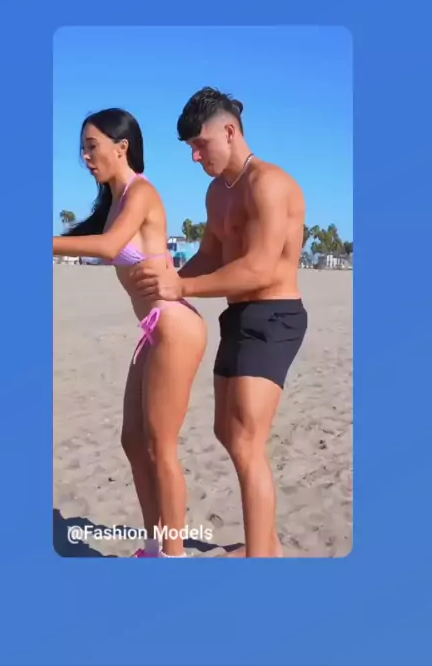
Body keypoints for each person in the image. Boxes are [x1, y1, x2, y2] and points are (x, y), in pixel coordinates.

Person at [131, 88, 307, 558]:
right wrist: (167, 282)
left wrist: (182, 288)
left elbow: (261, 268)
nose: (195, 155)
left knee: (247, 441)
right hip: (238, 317)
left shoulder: (269, 184)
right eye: (190, 147)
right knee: (227, 433)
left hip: (275, 316)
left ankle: (261, 561)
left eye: (200, 144)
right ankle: (268, 544)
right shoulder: (217, 192)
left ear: (229, 131)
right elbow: (210, 255)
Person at [53, 108, 207, 558]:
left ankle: (173, 557)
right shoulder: (115, 201)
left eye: (92, 147)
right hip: (154, 329)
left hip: (175, 326)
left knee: (160, 446)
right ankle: (155, 546)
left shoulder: (141, 191)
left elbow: (107, 247)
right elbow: (97, 237)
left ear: (122, 148)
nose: (85, 157)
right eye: (82, 149)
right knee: (133, 441)